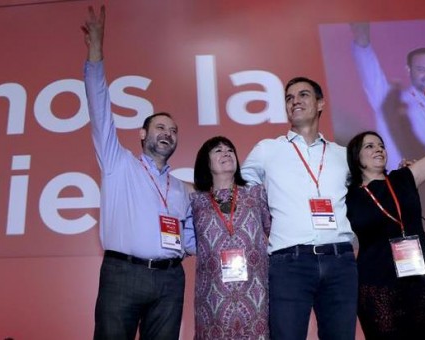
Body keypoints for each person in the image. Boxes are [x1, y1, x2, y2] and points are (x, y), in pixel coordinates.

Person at [82, 6, 193, 340]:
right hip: (123, 275)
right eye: (160, 127)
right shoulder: (119, 163)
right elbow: (99, 106)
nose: (168, 133)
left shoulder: (180, 187)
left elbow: (188, 239)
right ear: (143, 135)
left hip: (171, 279)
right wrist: (96, 51)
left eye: (173, 130)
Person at [241, 77, 357, 339]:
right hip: (289, 262)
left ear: (320, 103)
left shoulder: (343, 154)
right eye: (289, 97)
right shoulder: (267, 150)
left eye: (303, 95)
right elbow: (233, 187)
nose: (295, 101)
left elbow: (370, 189)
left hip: (340, 261)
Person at [345, 89, 425, 339]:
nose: (378, 149)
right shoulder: (348, 196)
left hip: (422, 275)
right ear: (356, 157)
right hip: (378, 284)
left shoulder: (404, 178)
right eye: (370, 146)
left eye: (381, 145)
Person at [350, 22, 425, 245]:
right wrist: (363, 43)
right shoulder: (394, 101)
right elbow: (370, 72)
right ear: (409, 70)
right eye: (422, 69)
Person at [187, 136, 270, 340]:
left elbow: (273, 231)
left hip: (256, 293)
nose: (226, 152)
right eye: (217, 150)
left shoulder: (256, 195)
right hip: (212, 297)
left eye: (230, 150)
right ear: (205, 163)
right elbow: (189, 243)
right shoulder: (196, 201)